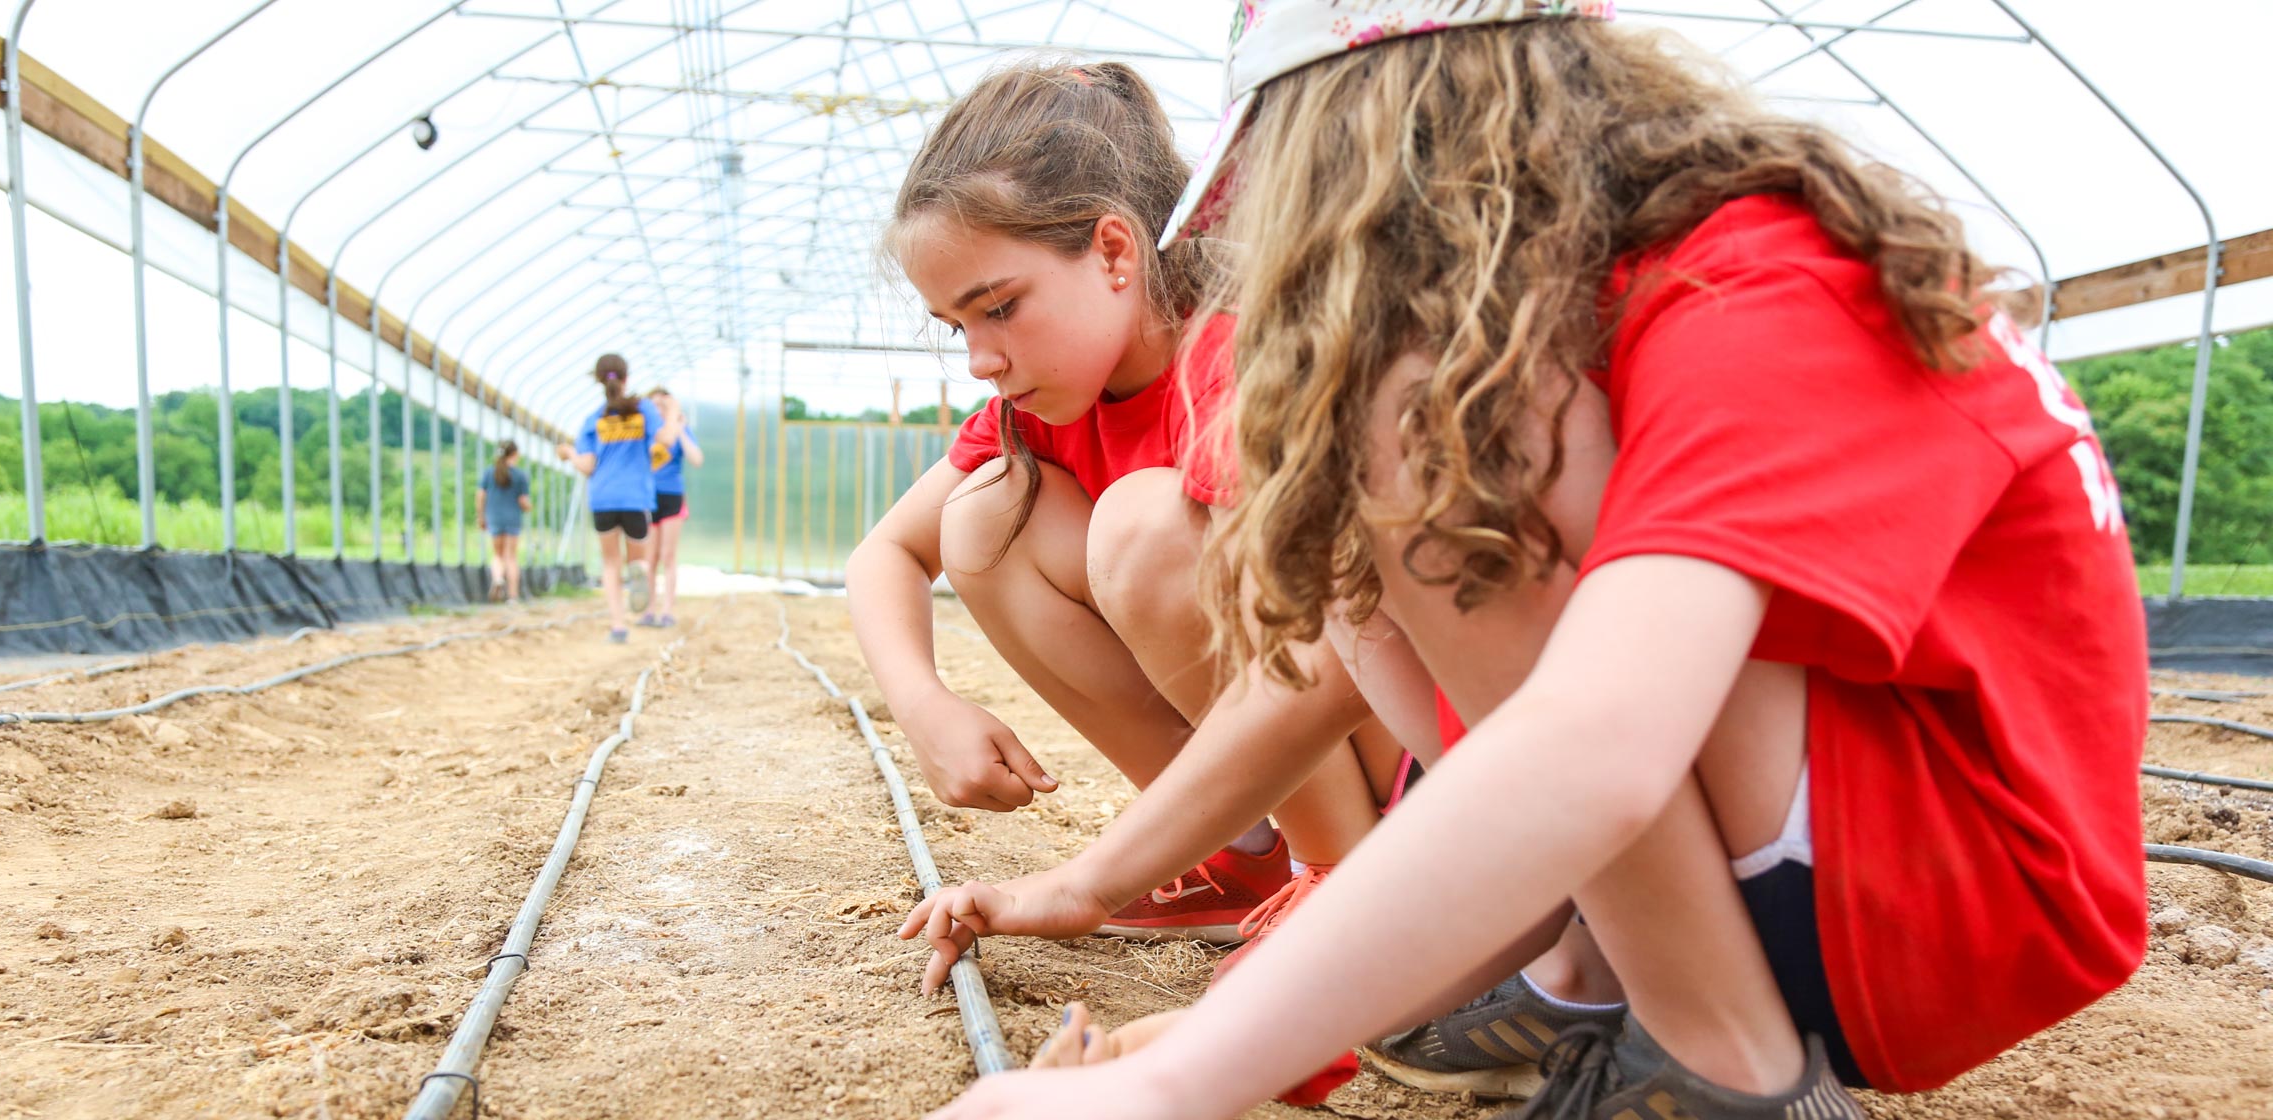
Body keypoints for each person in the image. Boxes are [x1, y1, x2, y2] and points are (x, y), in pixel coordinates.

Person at [913, 4, 2149, 1120]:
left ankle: (1720, 1058)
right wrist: (1218, 1024)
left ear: (1387, 136)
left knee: (1419, 421)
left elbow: (1593, 746)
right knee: (1377, 478)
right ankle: (1574, 980)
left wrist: (1181, 1086)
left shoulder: (1749, 278)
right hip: (1846, 845)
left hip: (1955, 897)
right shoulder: (1618, 279)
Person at [846, 58, 1415, 1074]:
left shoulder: (1235, 354)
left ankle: (1338, 873)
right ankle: (1237, 856)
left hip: (1401, 750)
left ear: (1115, 250)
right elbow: (887, 551)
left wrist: (1090, 882)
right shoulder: (1044, 404)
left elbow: (1328, 646)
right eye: (957, 327)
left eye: (1000, 306)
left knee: (1142, 527)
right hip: (1299, 727)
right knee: (985, 517)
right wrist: (924, 703)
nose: (980, 356)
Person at [557, 354, 675, 643]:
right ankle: (639, 573)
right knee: (640, 560)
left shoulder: (594, 419)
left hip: (604, 498)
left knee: (610, 564)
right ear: (626, 379)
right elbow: (667, 440)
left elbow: (587, 466)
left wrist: (569, 453)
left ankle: (618, 627)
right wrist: (672, 412)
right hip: (635, 497)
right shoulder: (643, 409)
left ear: (599, 381)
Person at [637, 386, 704, 628]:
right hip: (648, 497)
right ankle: (649, 609)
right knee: (650, 557)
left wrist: (680, 426)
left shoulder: (679, 430)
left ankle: (667, 610)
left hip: (672, 496)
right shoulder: (646, 432)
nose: (658, 408)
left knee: (668, 555)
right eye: (653, 404)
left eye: (662, 404)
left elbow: (697, 459)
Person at [476, 439, 532, 602]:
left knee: (497, 555)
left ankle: (498, 579)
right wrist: (529, 507)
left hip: (494, 517)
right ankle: (513, 596)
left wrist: (481, 516)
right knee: (511, 557)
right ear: (514, 454)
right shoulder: (520, 475)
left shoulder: (489, 472)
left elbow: (480, 496)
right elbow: (524, 502)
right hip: (513, 519)